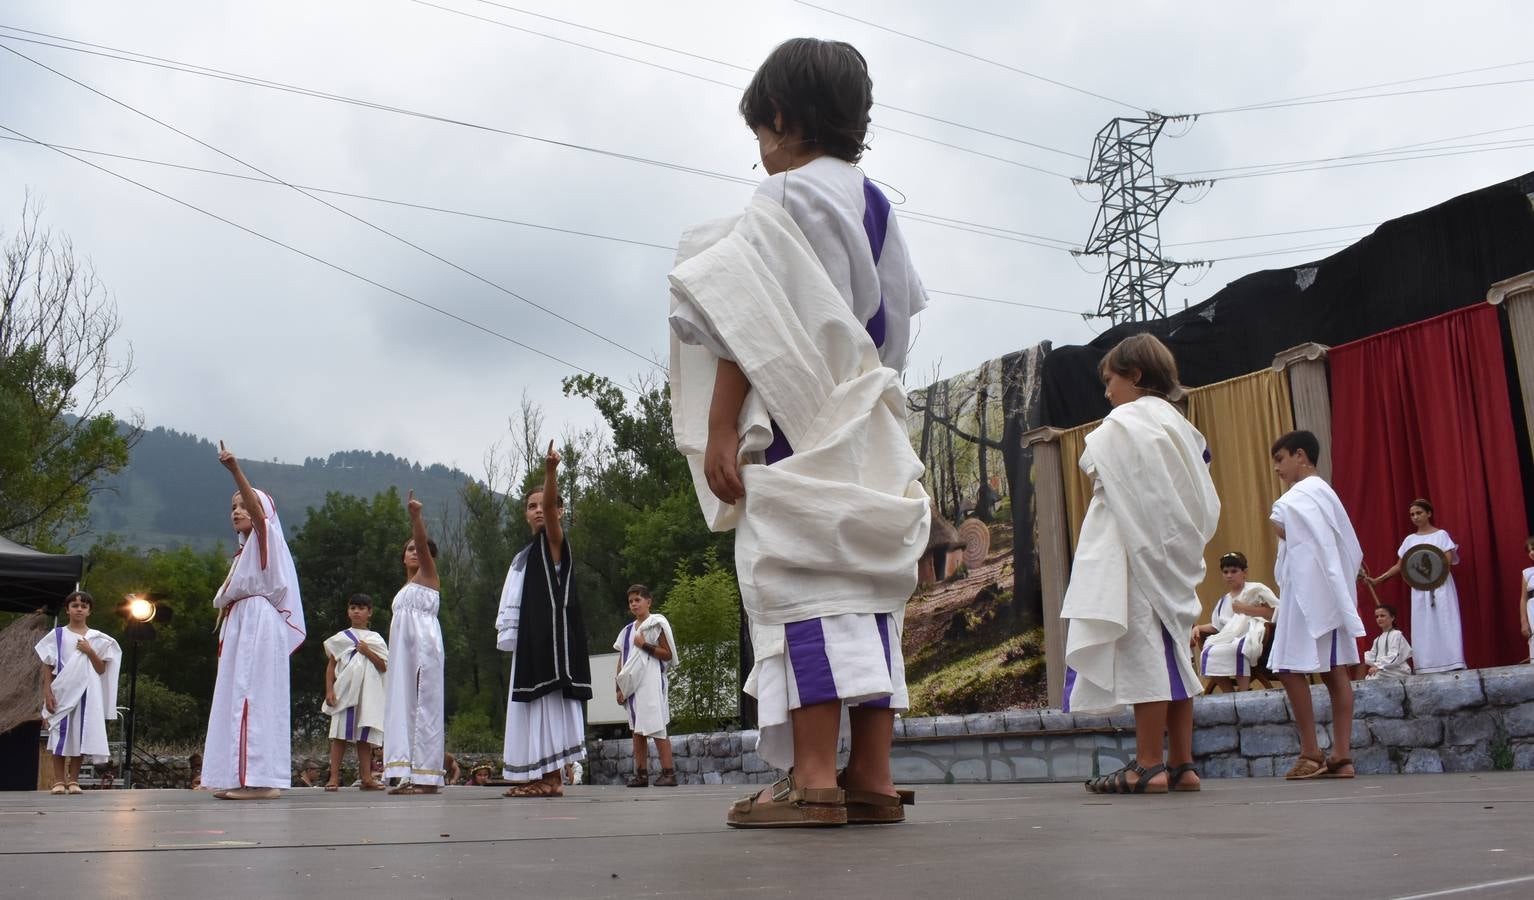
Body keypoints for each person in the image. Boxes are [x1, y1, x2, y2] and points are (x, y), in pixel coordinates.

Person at [668, 37, 930, 827]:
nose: (761, 156)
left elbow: (746, 323)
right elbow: (897, 323)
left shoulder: (778, 202)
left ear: (781, 119)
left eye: (760, 138)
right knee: (870, 584)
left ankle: (812, 774)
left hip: (798, 415)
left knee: (803, 579)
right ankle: (872, 776)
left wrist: (721, 426)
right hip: (869, 419)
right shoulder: (877, 204)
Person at [1063, 334, 1221, 795]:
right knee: (1176, 650)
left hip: (1134, 552)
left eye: (1110, 380)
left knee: (1147, 651)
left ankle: (1149, 763)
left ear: (1134, 375)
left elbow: (1093, 464)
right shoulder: (1183, 428)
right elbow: (1197, 488)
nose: (1107, 392)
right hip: (1175, 551)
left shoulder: (1124, 422)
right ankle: (1183, 764)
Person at [202, 442, 307, 800]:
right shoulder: (244, 552)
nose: (237, 511)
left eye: (243, 505)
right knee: (239, 695)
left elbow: (261, 516)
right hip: (244, 622)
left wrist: (235, 470)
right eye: (232, 507)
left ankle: (261, 782)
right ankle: (241, 776)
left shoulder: (267, 537)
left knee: (252, 695)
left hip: (258, 623)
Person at [495, 443, 592, 799]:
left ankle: (550, 778)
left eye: (545, 506)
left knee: (548, 706)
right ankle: (541, 775)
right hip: (531, 643)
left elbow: (550, 509)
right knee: (532, 708)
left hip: (552, 646)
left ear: (559, 511)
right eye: (531, 507)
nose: (539, 511)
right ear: (524, 515)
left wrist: (550, 473)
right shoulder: (524, 556)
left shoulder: (554, 543)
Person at [1268, 430, 1366, 780]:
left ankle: (1311, 751)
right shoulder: (1328, 493)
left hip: (1307, 595)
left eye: (1280, 460)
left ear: (1300, 455)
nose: (1277, 468)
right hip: (1329, 592)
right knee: (1333, 670)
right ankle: (1341, 755)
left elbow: (1282, 526)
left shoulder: (1303, 493)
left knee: (1289, 667)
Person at [382, 490, 446, 795]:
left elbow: (422, 544)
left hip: (423, 647)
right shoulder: (405, 588)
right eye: (407, 549)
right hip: (403, 653)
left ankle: (427, 775)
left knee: (424, 707)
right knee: (404, 706)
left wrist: (416, 518)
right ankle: (406, 771)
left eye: (416, 549)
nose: (413, 552)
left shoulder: (428, 576)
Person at [36, 590, 121, 796]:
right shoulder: (57, 635)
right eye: (75, 605)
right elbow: (47, 664)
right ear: (68, 610)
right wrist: (47, 691)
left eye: (83, 606)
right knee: (59, 735)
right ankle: (58, 781)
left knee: (80, 736)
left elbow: (101, 670)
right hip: (62, 692)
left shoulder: (98, 639)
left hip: (86, 694)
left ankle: (73, 781)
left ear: (89, 611)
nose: (79, 609)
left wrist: (90, 650)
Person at [1366, 499, 1466, 673]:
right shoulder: (1410, 540)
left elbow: (1446, 561)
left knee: (1445, 620)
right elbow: (1400, 565)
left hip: (1440, 586)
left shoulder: (1441, 535)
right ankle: (1427, 665)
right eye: (1412, 514)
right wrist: (1378, 579)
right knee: (1423, 625)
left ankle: (1453, 660)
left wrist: (1433, 575)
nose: (1415, 517)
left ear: (1428, 513)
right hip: (1420, 588)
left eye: (1419, 513)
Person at [321, 593, 388, 791]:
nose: (356, 611)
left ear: (370, 612)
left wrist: (367, 651)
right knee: (340, 734)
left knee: (363, 737)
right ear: (348, 611)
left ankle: (366, 777)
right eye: (353, 608)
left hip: (367, 694)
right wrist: (329, 690)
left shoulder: (375, 639)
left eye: (361, 608)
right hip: (345, 691)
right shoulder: (341, 638)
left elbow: (384, 666)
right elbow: (331, 665)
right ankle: (333, 777)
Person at [614, 584, 678, 788]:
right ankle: (641, 775)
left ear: (648, 602)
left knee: (657, 726)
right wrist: (619, 687)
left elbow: (668, 654)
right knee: (636, 730)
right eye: (631, 601)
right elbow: (622, 659)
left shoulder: (655, 624)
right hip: (632, 685)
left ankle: (669, 773)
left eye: (638, 600)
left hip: (650, 680)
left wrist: (644, 645)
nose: (634, 604)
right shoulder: (626, 631)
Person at [1193, 552, 1278, 693]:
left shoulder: (1256, 589)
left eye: (1234, 571)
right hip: (1229, 636)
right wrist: (1198, 628)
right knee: (1208, 652)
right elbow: (1217, 626)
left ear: (1244, 572)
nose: (1229, 575)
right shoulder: (1223, 600)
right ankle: (1229, 693)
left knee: (1239, 647)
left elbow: (1275, 613)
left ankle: (1244, 691)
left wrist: (1246, 609)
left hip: (1253, 635)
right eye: (1225, 572)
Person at [1363, 604, 1413, 679]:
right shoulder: (1377, 639)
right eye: (1377, 617)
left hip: (1398, 670)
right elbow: (1372, 656)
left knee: (1377, 676)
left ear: (1392, 617)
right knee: (1368, 678)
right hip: (1384, 670)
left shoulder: (1397, 634)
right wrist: (1360, 656)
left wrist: (1379, 667)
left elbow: (1395, 655)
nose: (1379, 619)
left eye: (1382, 616)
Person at [1521, 536, 1534, 664]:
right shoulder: (1527, 573)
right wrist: (1524, 621)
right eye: (1529, 550)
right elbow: (1523, 599)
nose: (1531, 552)